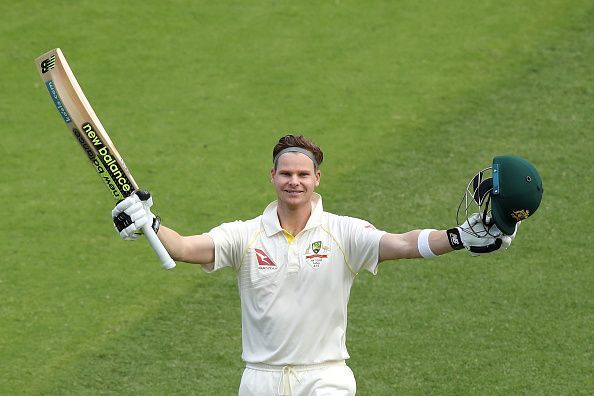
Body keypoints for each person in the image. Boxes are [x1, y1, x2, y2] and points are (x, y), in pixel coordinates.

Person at [112, 135, 518, 396]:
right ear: (272, 176)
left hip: (325, 378)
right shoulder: (244, 235)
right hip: (259, 380)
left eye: (303, 174)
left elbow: (403, 243)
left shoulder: (343, 232)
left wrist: (458, 237)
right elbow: (184, 247)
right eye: (286, 173)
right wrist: (151, 223)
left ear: (317, 178)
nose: (294, 181)